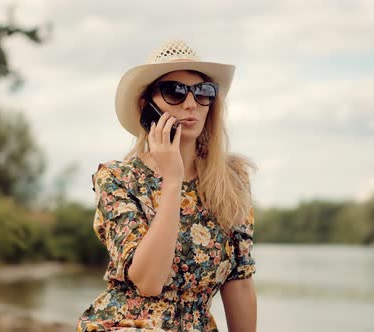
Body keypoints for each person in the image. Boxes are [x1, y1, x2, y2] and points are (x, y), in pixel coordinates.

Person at [76, 40, 257, 332]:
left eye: (202, 93)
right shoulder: (118, 179)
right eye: (174, 91)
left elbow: (240, 280)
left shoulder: (231, 179)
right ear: (145, 106)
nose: (190, 104)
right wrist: (173, 180)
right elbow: (148, 281)